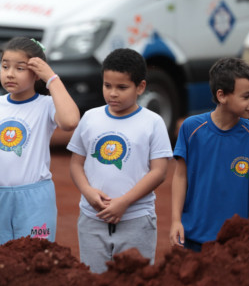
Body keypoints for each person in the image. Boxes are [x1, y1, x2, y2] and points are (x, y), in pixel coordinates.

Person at [0, 37, 79, 252]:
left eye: (20, 68)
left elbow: (70, 121)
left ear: (36, 73)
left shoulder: (46, 105)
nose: (10, 73)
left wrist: (51, 78)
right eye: (5, 66)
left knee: (36, 259)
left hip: (36, 200)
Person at [68, 49, 172, 273]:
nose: (113, 93)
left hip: (136, 220)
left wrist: (123, 202)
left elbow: (159, 172)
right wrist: (88, 191)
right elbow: (76, 164)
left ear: (140, 87)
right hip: (92, 218)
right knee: (94, 285)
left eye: (122, 87)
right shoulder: (90, 118)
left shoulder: (153, 122)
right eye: (108, 86)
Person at [171, 57, 249, 251]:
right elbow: (180, 176)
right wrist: (175, 221)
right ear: (222, 95)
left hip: (235, 243)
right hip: (194, 237)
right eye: (246, 96)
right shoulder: (191, 128)